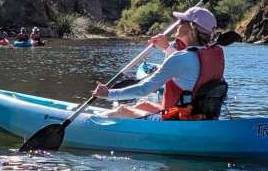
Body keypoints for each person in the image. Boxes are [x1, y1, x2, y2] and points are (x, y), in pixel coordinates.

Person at [93, 6, 227, 120]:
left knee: (123, 110)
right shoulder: (213, 56)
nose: (177, 23)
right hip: (195, 115)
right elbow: (187, 67)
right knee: (142, 105)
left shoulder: (181, 58)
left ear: (191, 28)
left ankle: (88, 123)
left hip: (179, 121)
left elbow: (144, 89)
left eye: (181, 21)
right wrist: (166, 47)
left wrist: (108, 94)